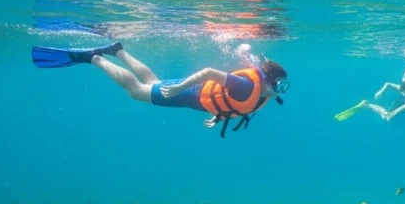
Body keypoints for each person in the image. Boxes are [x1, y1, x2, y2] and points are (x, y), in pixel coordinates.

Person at [31, 41, 289, 138]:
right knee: (135, 91)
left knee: (152, 82)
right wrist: (179, 88)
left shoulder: (257, 97)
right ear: (269, 81)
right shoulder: (246, 86)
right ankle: (94, 59)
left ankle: (117, 50)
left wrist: (216, 116)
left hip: (193, 96)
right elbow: (210, 72)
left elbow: (229, 103)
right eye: (279, 85)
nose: (280, 90)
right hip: (189, 92)